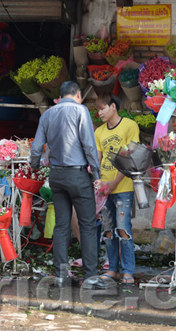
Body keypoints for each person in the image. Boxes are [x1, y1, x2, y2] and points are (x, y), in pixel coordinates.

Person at [30, 81, 106, 289]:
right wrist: (96, 173)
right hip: (78, 175)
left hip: (56, 176)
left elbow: (36, 147)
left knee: (62, 225)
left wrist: (35, 167)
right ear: (78, 95)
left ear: (61, 96)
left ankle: (62, 276)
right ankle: (90, 277)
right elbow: (89, 145)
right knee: (88, 226)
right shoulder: (81, 111)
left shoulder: (47, 114)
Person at [94, 92, 140, 286]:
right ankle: (113, 268)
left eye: (102, 108)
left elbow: (131, 159)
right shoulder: (99, 133)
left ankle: (128, 271)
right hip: (104, 189)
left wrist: (114, 183)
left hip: (123, 186)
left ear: (113, 106)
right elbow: (97, 160)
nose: (99, 113)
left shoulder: (130, 126)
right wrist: (98, 181)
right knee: (108, 231)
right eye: (97, 110)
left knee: (123, 229)